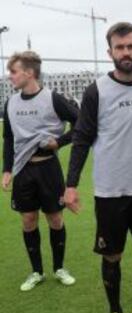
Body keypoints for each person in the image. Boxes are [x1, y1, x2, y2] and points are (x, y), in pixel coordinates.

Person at [64, 22, 132, 313]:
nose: (126, 53)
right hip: (110, 191)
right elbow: (82, 137)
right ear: (110, 52)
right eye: (120, 48)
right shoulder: (97, 90)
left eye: (131, 47)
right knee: (113, 255)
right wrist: (70, 184)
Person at [2, 51, 77, 291]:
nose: (9, 76)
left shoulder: (53, 98)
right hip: (23, 170)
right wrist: (6, 169)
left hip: (48, 168)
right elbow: (9, 139)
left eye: (13, 72)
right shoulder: (10, 103)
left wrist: (60, 141)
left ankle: (59, 268)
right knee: (28, 219)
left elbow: (82, 122)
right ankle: (36, 271)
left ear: (29, 72)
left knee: (55, 218)